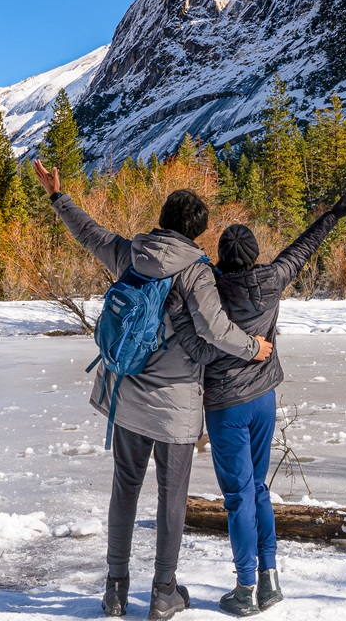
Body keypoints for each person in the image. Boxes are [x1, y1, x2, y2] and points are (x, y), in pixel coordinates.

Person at [33, 160, 273, 621]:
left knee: (125, 488)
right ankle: (164, 592)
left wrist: (57, 196)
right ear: (198, 234)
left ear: (163, 221)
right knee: (171, 495)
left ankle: (115, 590)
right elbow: (218, 330)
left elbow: (88, 233)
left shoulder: (131, 254)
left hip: (127, 395)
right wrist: (254, 348)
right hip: (175, 405)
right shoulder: (196, 273)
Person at [169, 195, 346, 616]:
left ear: (222, 255)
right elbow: (302, 248)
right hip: (264, 399)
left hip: (227, 406)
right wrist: (331, 215)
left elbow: (197, 339)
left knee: (238, 496)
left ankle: (244, 587)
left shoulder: (209, 287)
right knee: (257, 489)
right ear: (255, 255)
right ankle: (270, 578)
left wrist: (179, 317)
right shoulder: (272, 279)